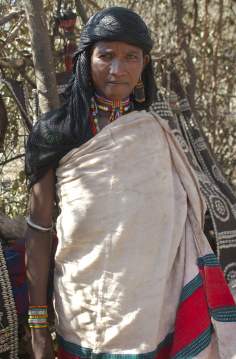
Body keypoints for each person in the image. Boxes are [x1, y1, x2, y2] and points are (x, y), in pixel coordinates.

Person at [24, 7, 236, 359]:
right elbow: (38, 225)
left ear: (144, 64)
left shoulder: (154, 134)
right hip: (81, 311)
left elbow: (178, 226)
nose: (118, 69)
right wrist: (37, 326)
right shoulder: (55, 132)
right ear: (85, 59)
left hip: (151, 316)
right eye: (105, 55)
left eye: (130, 57)